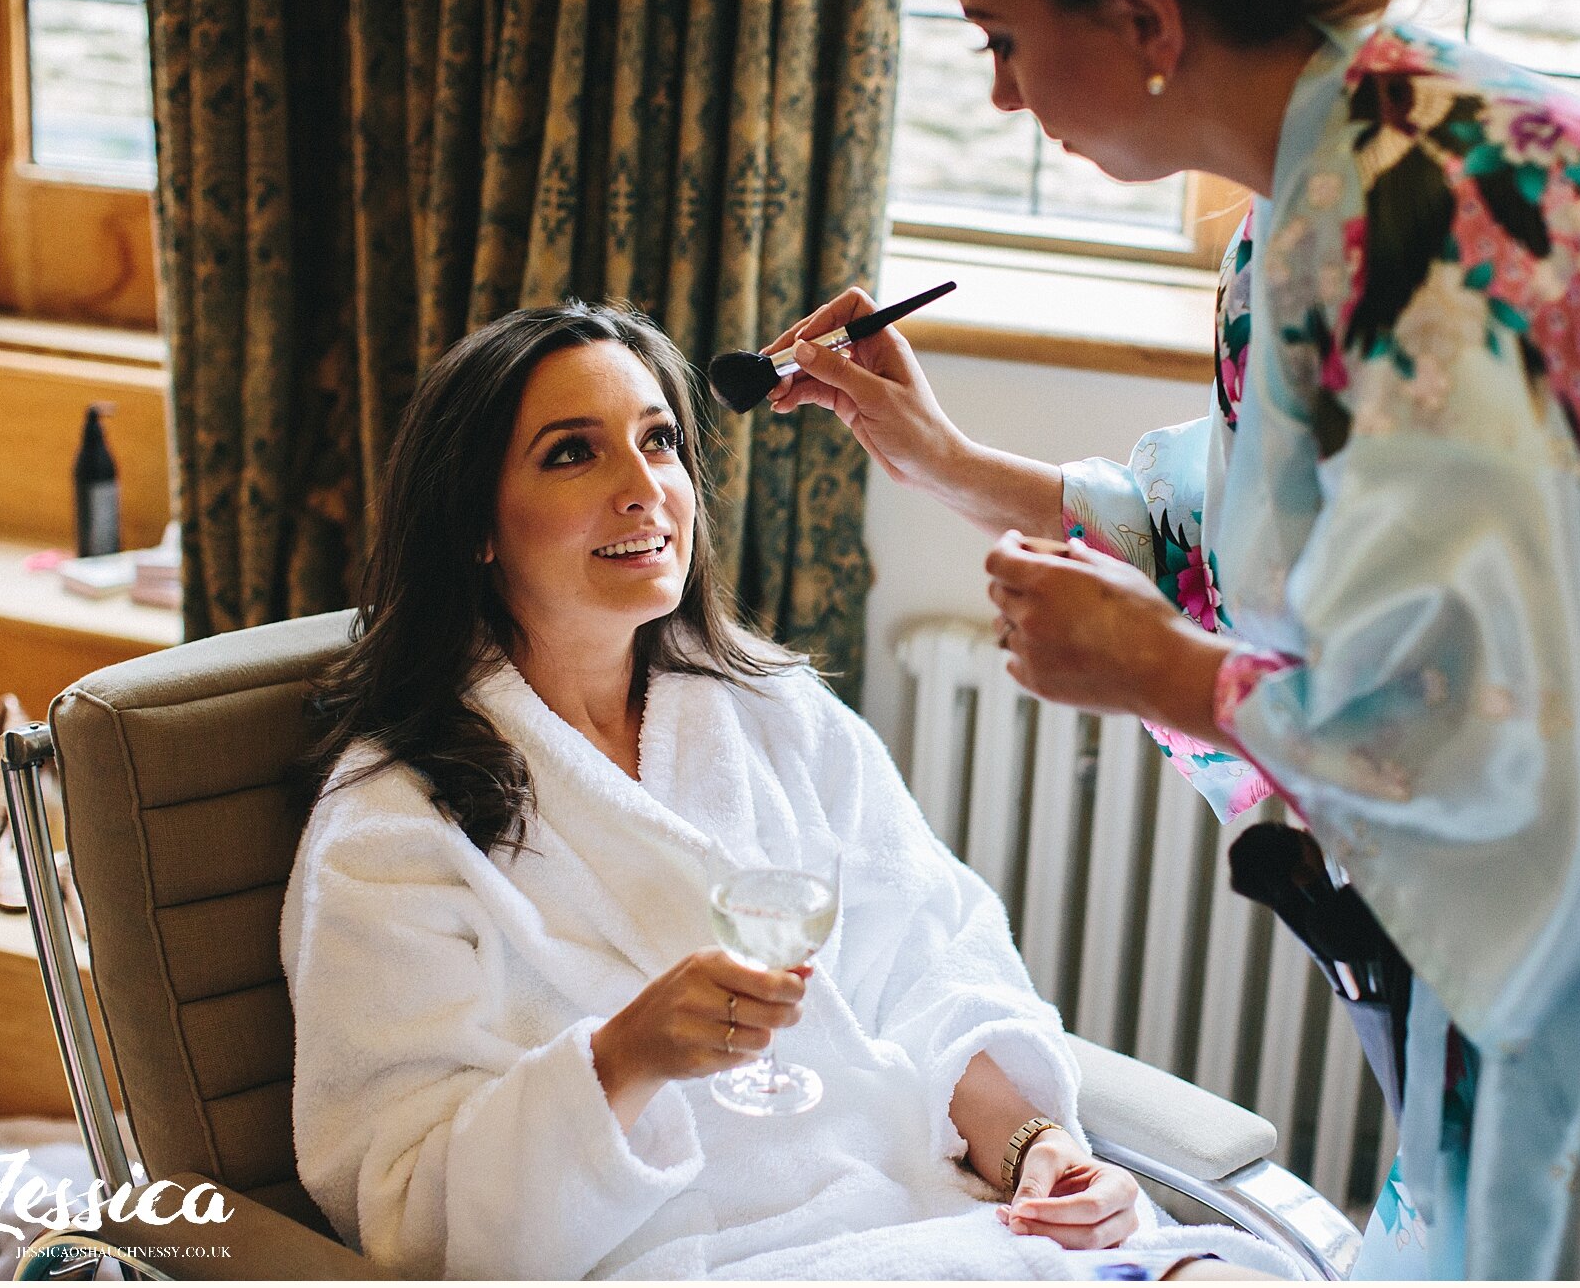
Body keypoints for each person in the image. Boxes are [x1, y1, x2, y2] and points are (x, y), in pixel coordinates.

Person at [766, 0, 1580, 1280]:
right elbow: (1246, 529)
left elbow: (1475, 712)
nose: (998, 95)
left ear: (1144, 19)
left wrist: (1150, 666)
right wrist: (947, 464)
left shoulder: (1429, 230)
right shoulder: (1320, 187)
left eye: (999, 40)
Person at [278, 302, 1292, 1281]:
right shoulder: (392, 830)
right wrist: (624, 1055)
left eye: (660, 439)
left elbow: (930, 966)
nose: (645, 487)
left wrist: (1035, 1150)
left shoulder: (776, 719)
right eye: (572, 452)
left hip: (933, 1218)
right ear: (475, 526)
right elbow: (411, 1219)